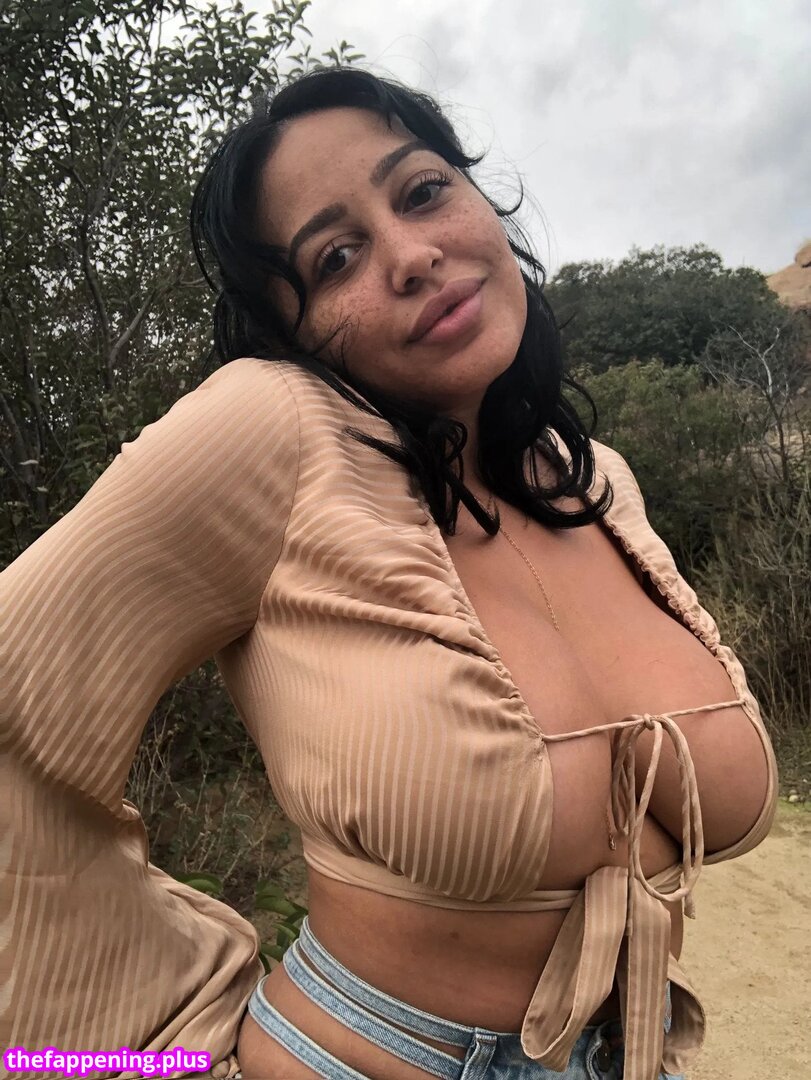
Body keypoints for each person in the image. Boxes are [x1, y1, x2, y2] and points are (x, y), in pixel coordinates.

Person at [1, 67, 778, 1080]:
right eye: (335, 258)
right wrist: (151, 1038)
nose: (412, 257)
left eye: (421, 192)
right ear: (292, 330)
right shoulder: (272, 430)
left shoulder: (596, 483)